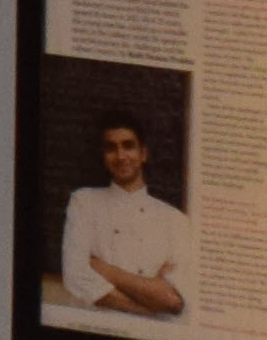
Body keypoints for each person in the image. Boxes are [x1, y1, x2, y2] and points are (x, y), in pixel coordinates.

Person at [55, 113, 190, 322]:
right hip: (96, 324)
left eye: (128, 146)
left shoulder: (176, 220)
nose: (120, 156)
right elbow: (75, 276)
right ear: (103, 156)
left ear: (143, 154)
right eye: (111, 148)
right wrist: (145, 307)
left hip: (151, 334)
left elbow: (172, 301)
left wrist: (103, 269)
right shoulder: (84, 201)